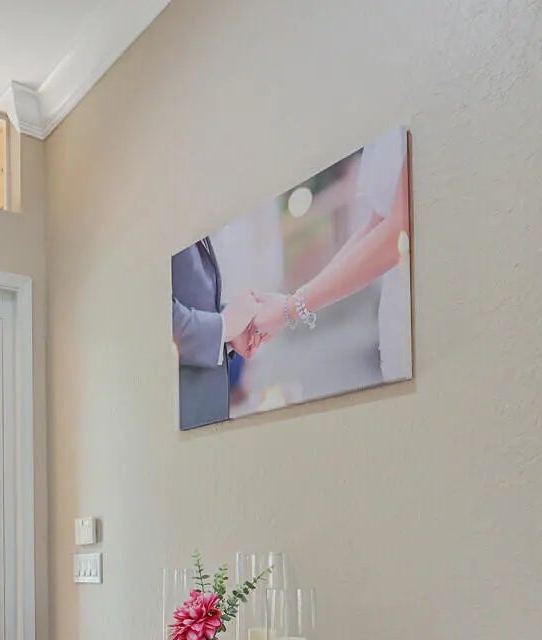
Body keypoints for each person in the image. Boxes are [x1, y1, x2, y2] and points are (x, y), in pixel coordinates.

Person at [249, 127, 412, 381]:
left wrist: (291, 308)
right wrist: (292, 302)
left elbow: (399, 229)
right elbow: (375, 225)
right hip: (395, 311)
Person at [171, 238, 264, 429]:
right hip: (175, 412)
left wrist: (230, 325)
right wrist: (224, 326)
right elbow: (147, 310)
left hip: (204, 406)